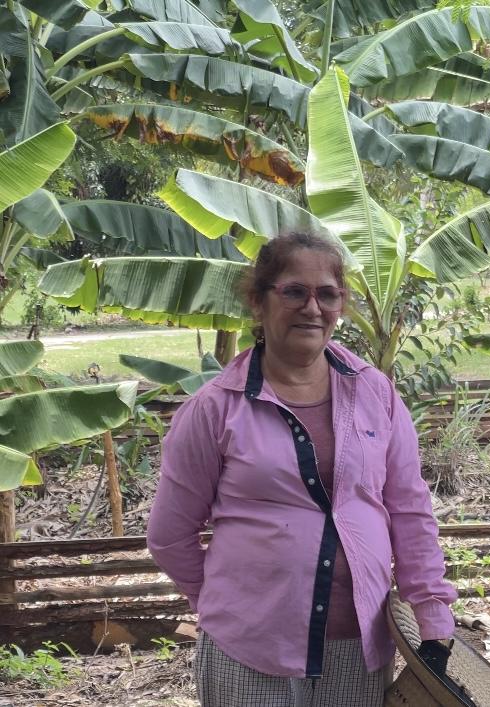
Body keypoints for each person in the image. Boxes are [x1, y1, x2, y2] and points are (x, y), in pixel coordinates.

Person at [147, 232, 461, 706]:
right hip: (249, 651)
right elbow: (169, 535)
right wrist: (226, 604)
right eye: (294, 291)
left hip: (359, 647)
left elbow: (410, 511)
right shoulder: (215, 410)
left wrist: (433, 618)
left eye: (327, 294)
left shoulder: (375, 393)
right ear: (258, 300)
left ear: (340, 304)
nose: (312, 308)